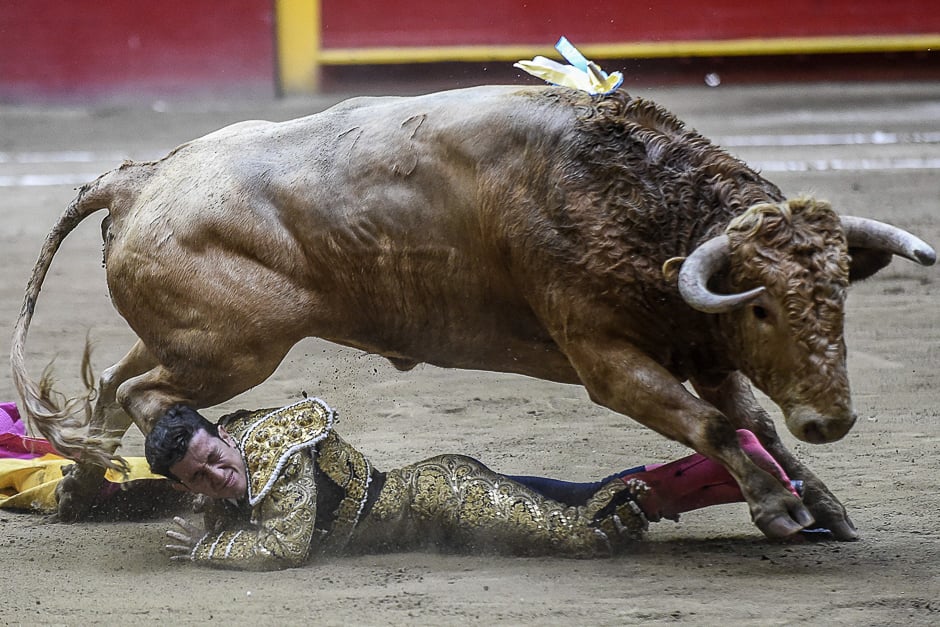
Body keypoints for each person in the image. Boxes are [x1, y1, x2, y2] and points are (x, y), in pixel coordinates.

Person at [145, 397, 800, 571]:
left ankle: (741, 469)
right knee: (577, 494)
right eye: (197, 479)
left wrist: (207, 545)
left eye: (214, 457)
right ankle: (743, 464)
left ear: (225, 435)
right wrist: (215, 513)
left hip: (443, 496)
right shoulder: (228, 457)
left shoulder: (276, 448)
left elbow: (285, 545)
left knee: (581, 533)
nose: (217, 476)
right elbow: (241, 511)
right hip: (440, 513)